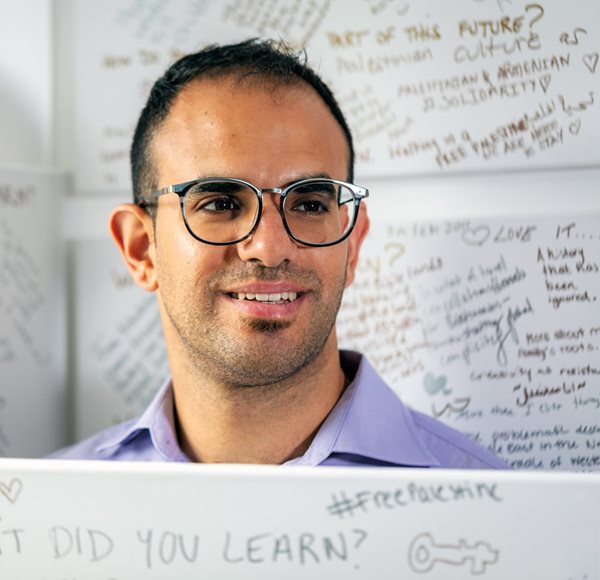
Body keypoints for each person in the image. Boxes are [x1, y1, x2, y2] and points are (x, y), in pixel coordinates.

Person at [53, 39, 505, 468]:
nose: (270, 247)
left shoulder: (499, 513)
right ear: (140, 250)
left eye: (309, 204)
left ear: (353, 240)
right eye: (220, 204)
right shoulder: (42, 508)